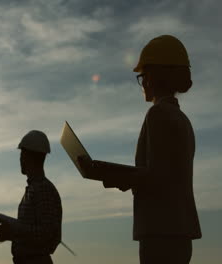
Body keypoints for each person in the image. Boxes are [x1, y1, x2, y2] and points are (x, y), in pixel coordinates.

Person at [79, 35, 202, 264]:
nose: (142, 82)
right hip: (177, 231)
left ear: (154, 76)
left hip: (161, 231)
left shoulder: (158, 114)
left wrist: (108, 173)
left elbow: (155, 177)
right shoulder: (181, 119)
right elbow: (164, 174)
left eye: (143, 75)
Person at [0, 130, 63, 264]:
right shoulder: (34, 189)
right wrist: (8, 234)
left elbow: (46, 234)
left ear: (27, 156)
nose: (20, 159)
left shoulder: (43, 189)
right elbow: (32, 235)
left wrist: (12, 228)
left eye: (22, 154)